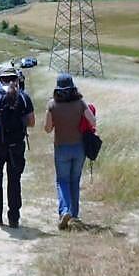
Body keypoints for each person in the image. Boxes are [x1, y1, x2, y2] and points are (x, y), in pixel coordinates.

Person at [43, 73, 96, 230]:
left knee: (62, 181)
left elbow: (47, 129)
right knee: (74, 180)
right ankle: (74, 215)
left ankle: (64, 210)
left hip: (61, 147)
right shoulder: (80, 103)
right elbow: (92, 121)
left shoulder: (52, 105)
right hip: (79, 147)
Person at [0, 67, 34, 228]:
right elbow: (31, 122)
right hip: (16, 144)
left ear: (1, 80)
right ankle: (14, 218)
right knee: (14, 180)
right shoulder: (24, 97)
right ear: (17, 80)